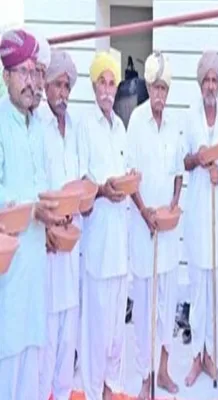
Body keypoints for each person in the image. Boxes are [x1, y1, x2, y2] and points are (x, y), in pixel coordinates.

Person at [0, 29, 62, 400]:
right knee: (7, 362)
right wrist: (32, 208)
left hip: (36, 261)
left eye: (34, 72)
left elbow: (42, 186)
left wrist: (51, 219)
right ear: (6, 75)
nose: (31, 81)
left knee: (31, 366)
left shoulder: (37, 126)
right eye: (22, 72)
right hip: (9, 268)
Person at [77, 51, 132, 400]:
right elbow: (82, 180)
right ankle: (93, 391)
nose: (108, 89)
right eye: (103, 83)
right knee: (95, 332)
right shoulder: (85, 126)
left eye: (113, 83)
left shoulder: (120, 127)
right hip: (97, 246)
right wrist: (102, 190)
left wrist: (129, 180)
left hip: (119, 247)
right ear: (94, 86)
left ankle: (111, 389)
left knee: (115, 332)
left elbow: (123, 174)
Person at [127, 51, 183, 398]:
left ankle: (163, 370)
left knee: (167, 305)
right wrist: (145, 211)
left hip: (168, 233)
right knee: (145, 310)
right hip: (144, 230)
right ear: (148, 87)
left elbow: (178, 173)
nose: (160, 94)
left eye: (164, 88)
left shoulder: (174, 125)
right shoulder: (136, 121)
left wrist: (174, 203)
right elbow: (131, 177)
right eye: (155, 88)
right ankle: (145, 376)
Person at [182, 50, 218, 386]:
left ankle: (212, 354)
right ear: (201, 84)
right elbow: (184, 162)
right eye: (207, 80)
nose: (211, 85)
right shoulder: (190, 117)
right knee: (198, 290)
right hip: (197, 216)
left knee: (216, 290)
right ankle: (195, 357)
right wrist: (197, 159)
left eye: (216, 80)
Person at [38, 48, 81, 400]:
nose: (62, 92)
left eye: (67, 86)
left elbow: (81, 181)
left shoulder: (75, 128)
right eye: (57, 84)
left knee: (69, 341)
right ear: (45, 86)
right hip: (47, 248)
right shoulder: (38, 128)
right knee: (46, 341)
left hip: (72, 246)